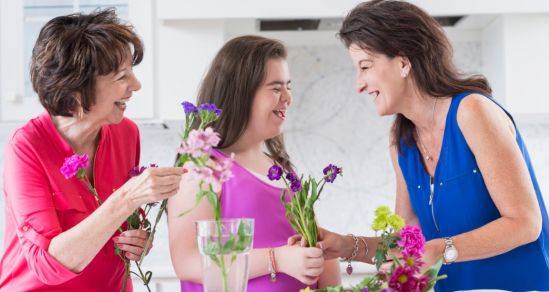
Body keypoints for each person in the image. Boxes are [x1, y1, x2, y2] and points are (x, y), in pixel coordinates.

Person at [297, 0, 549, 291]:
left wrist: (441, 249)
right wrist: (343, 245)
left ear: (403, 62)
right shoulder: (401, 142)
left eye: (365, 66)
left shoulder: (472, 112)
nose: (360, 84)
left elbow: (525, 223)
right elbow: (408, 243)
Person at [0, 9, 183, 291]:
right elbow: (46, 265)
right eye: (122, 76)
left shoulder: (126, 132)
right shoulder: (27, 148)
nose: (135, 85)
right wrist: (128, 197)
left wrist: (137, 240)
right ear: (77, 87)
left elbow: (116, 226)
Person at [168, 35, 341, 291]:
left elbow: (314, 243)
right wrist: (277, 259)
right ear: (241, 93)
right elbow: (188, 261)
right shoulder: (201, 168)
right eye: (275, 88)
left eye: (288, 86)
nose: (287, 98)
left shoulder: (282, 169)